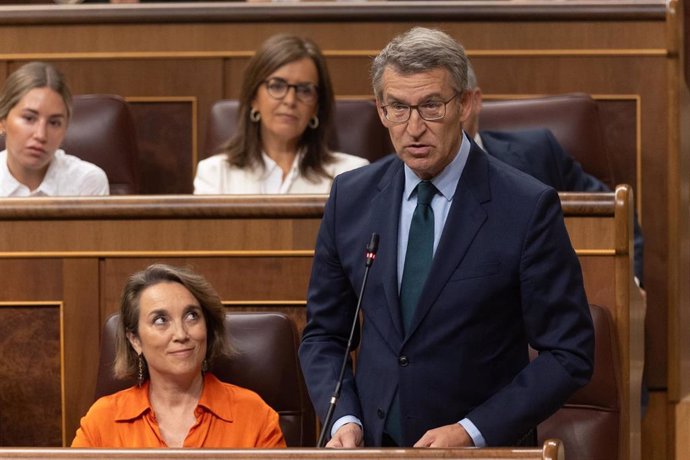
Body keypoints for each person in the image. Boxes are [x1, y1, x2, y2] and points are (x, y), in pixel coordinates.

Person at [299, 27, 595, 448]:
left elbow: (569, 353)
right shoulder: (351, 198)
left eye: (431, 106)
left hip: (485, 450)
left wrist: (472, 431)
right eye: (398, 107)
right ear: (380, 110)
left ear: (465, 105)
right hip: (374, 446)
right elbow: (325, 335)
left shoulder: (526, 206)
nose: (414, 127)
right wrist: (343, 416)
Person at [464, 63, 645, 286]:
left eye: (439, 105)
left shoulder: (538, 152)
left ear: (473, 101)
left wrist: (629, 291)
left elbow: (615, 214)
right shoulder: (411, 177)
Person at [71, 264, 286, 448]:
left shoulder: (255, 416)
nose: (181, 334)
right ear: (135, 340)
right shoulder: (102, 421)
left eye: (192, 316)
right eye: (160, 320)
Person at [194, 34, 368, 194]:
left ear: (316, 106)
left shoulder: (351, 174)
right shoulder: (215, 174)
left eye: (304, 90)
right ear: (254, 98)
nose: (290, 100)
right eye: (277, 86)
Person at [0, 61, 109, 197]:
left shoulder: (87, 181)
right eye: (29, 118)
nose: (41, 135)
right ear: (2, 121)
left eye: (54, 123)